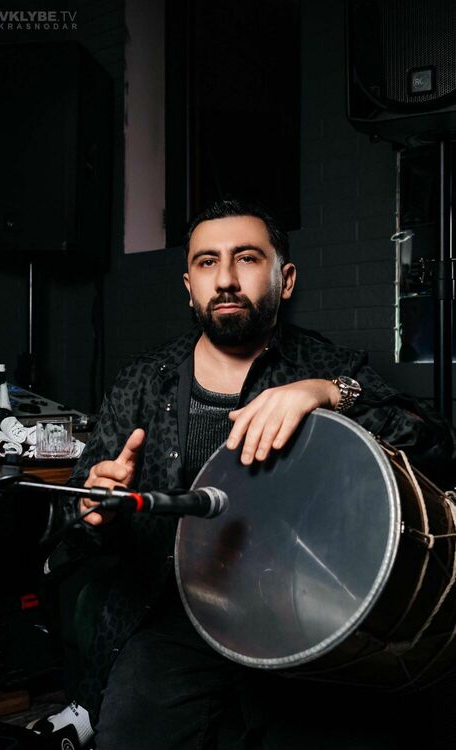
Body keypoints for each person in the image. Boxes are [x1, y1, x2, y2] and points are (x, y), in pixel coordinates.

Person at [36, 199, 455, 749]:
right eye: (207, 262)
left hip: (298, 614)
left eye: (248, 258)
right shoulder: (144, 380)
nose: (226, 279)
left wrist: (329, 393)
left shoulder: (322, 367)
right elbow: (74, 513)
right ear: (189, 286)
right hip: (173, 614)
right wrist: (93, 506)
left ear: (286, 279)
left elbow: (436, 444)